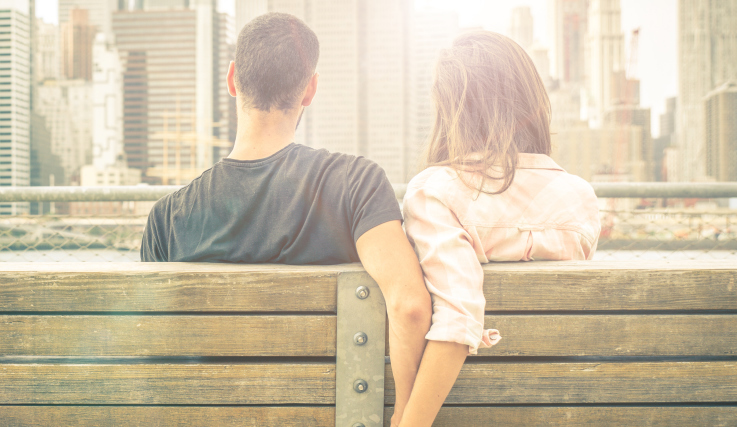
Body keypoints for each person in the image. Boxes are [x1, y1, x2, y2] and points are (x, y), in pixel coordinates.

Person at [140, 13, 435, 416]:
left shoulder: (165, 219)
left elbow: (153, 348)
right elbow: (411, 307)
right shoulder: (355, 183)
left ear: (231, 81)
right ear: (310, 89)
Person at [396, 30, 601, 426]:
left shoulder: (435, 192)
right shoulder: (581, 196)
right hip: (570, 404)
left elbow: (458, 316)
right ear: (532, 101)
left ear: (449, 109)